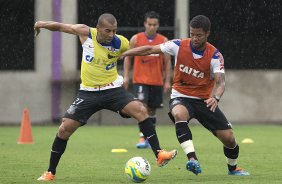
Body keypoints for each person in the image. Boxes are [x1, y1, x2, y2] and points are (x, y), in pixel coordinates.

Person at [34, 13, 177, 181]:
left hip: (112, 90)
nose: (111, 35)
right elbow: (60, 26)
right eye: (107, 31)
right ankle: (50, 172)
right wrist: (40, 23)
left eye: (114, 31)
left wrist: (130, 54)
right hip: (88, 93)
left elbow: (142, 50)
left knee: (141, 110)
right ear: (99, 28)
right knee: (64, 129)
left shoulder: (121, 42)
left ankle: (159, 154)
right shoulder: (85, 33)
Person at [121, 15, 250, 176]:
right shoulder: (178, 45)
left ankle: (233, 168)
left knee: (229, 138)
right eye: (192, 34)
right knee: (179, 113)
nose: (194, 38)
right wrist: (126, 53)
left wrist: (215, 97)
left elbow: (221, 82)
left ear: (207, 34)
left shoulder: (215, 55)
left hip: (204, 100)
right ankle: (192, 159)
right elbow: (149, 49)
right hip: (180, 96)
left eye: (199, 35)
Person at [123, 11, 171, 149]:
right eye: (149, 24)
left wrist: (167, 80)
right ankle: (142, 137)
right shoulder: (136, 39)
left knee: (152, 111)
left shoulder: (163, 41)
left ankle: (150, 138)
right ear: (145, 24)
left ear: (158, 25)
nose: (151, 27)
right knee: (141, 107)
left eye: (154, 24)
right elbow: (128, 58)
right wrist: (126, 76)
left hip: (156, 81)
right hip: (140, 80)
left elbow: (167, 62)